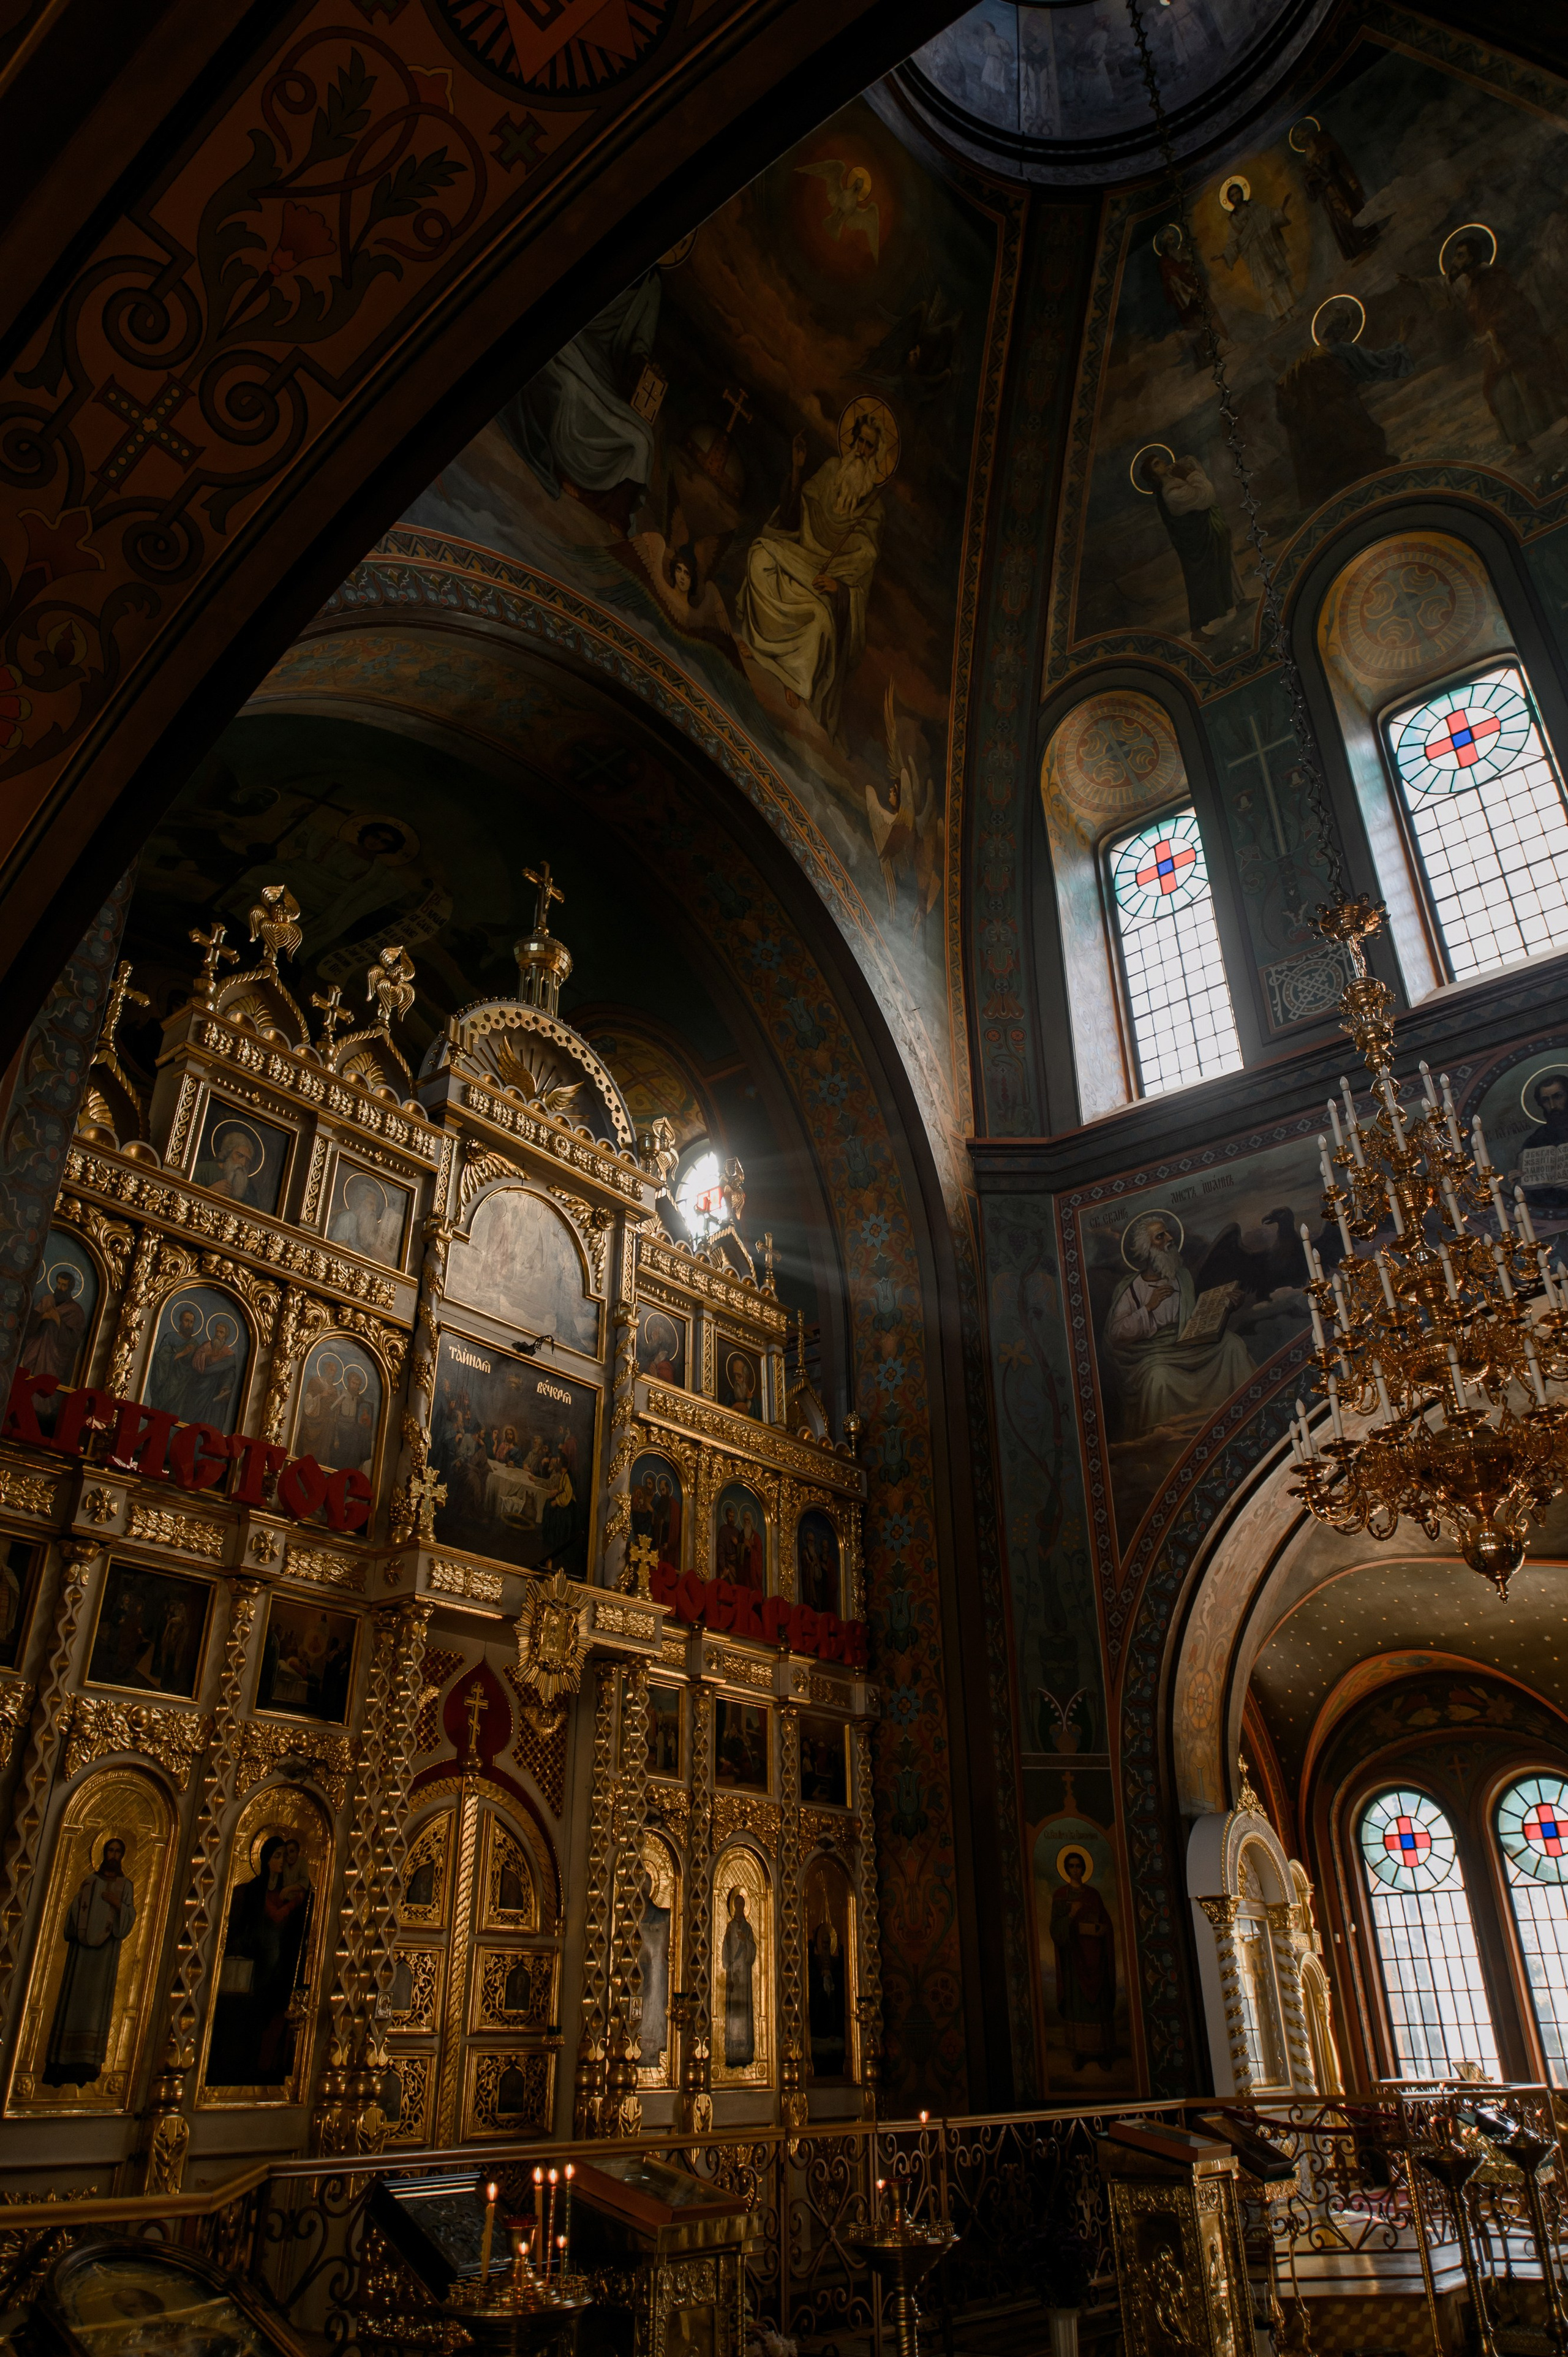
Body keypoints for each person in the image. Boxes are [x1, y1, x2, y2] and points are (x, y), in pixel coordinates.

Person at [736, 408, 891, 739]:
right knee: (760, 556)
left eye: (869, 447)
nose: (861, 451)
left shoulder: (874, 510)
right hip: (800, 556)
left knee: (820, 622)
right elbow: (792, 518)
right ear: (852, 441)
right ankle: (760, 650)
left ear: (877, 455)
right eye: (859, 442)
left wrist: (838, 587)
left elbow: (862, 580)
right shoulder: (831, 471)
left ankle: (793, 679)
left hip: (825, 584)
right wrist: (796, 469)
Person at [499, 272, 663, 531]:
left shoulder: (652, 287)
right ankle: (567, 468)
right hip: (567, 344)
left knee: (642, 438)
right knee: (572, 390)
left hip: (604, 372)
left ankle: (612, 508)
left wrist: (642, 366)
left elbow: (639, 345)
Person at [1101, 1210, 1254, 1440]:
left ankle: (1248, 1412)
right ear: (1146, 1248)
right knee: (1158, 1377)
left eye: (1168, 1234)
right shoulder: (1132, 1288)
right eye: (1160, 1237)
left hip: (1186, 1342)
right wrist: (1148, 1308)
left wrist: (1226, 1304)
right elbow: (1116, 1333)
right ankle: (1165, 1441)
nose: (1169, 1239)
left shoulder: (1181, 1277)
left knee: (1232, 1345)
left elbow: (1193, 1316)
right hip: (1153, 1352)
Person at [1442, 232, 1568, 458]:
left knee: (1537, 376)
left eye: (1461, 256)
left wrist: (1490, 332)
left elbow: (1512, 307)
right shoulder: (1471, 286)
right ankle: (1521, 445)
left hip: (1517, 339)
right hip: (1497, 346)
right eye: (1456, 256)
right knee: (1501, 393)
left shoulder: (1494, 277)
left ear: (1473, 256)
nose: (1455, 261)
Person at [1275, 307, 1414, 508]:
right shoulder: (1346, 351)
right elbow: (1379, 364)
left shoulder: (1306, 359)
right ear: (1343, 331)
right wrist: (1403, 339)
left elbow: (1285, 393)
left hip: (1319, 428)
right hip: (1344, 417)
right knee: (1366, 444)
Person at [206, 1833, 313, 2087]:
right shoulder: (253, 1891)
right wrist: (291, 1902)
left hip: (281, 1969)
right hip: (256, 1967)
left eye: (285, 1856)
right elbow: (265, 1919)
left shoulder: (288, 1892)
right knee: (251, 2018)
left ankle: (268, 2067)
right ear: (265, 1859)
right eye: (277, 1856)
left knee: (275, 2014)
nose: (282, 1861)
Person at [43, 1836, 135, 2086]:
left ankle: (89, 2065)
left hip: (105, 1959)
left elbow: (129, 1916)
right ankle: (61, 2062)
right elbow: (75, 1911)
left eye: (118, 1852)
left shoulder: (125, 1886)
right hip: (81, 1957)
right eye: (110, 1851)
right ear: (103, 1853)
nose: (114, 1856)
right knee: (73, 2003)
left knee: (96, 2007)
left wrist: (118, 1906)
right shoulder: (91, 1882)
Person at [1138, 451, 1242, 638]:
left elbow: (1198, 477)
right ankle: (1198, 629)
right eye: (1156, 464)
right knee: (1201, 582)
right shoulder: (1170, 493)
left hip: (1208, 531)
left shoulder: (1173, 480)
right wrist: (1188, 475)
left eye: (1160, 460)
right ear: (1154, 475)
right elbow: (1206, 494)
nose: (1162, 462)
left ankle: (1238, 600)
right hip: (1197, 542)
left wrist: (1188, 468)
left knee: (1225, 561)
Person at [1050, 1849, 1117, 2070]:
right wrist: (1070, 1915)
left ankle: (1101, 2053)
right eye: (1072, 1866)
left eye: (1079, 1866)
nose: (1076, 1870)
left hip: (1095, 1958)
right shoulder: (1060, 1896)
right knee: (1078, 2006)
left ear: (1084, 1868)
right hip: (1074, 1959)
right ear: (1067, 1869)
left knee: (1097, 2006)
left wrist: (1102, 1930)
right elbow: (1056, 1931)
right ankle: (1080, 2053)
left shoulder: (1093, 1895)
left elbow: (1106, 1924)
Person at [1298, 122, 1379, 262]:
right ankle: (1356, 250)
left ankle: (1366, 242)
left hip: (1336, 186)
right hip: (1326, 194)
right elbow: (1314, 175)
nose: (1303, 141)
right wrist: (1309, 178)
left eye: (1303, 137)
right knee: (1339, 221)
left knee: (1349, 212)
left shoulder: (1322, 143)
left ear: (1309, 133)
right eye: (1300, 140)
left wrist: (1314, 172)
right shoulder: (1308, 153)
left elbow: (1329, 168)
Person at [1215, 181, 1295, 320]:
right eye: (1233, 195)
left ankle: (1292, 309)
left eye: (1237, 193)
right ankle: (1281, 316)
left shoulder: (1255, 206)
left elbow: (1270, 217)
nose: (1236, 196)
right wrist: (1225, 256)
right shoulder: (1233, 221)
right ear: (1230, 200)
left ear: (1242, 192)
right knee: (1266, 285)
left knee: (1279, 277)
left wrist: (1282, 208)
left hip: (1268, 246)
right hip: (1255, 256)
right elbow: (1233, 243)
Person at [21, 1265, 87, 1387]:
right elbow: (29, 1326)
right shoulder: (47, 1301)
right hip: (35, 1353)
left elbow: (74, 1341)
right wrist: (42, 1317)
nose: (60, 1288)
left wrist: (58, 1321)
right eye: (59, 1284)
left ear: (70, 1288)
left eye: (64, 1285)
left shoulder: (75, 1311)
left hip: (55, 1361)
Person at [636, 1864, 671, 2065]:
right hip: (638, 1976)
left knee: (653, 2006)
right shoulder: (630, 1915)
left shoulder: (662, 1916)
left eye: (644, 1889)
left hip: (656, 1977)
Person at [146, 1303, 203, 1422]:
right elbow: (160, 1358)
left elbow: (195, 1366)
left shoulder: (195, 1344)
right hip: (167, 1384)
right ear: (181, 1322)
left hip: (183, 1389)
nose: (189, 1324)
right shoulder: (171, 1337)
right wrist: (181, 1353)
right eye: (187, 1321)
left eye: (191, 1322)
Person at [722, 1888, 757, 2068]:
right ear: (734, 1906)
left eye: (743, 1904)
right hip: (734, 1974)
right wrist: (728, 1970)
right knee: (734, 2012)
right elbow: (726, 1951)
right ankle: (733, 2052)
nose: (740, 1907)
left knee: (744, 2011)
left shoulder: (748, 1928)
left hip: (745, 1975)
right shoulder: (729, 1927)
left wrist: (745, 1941)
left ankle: (745, 2053)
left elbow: (752, 1951)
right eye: (738, 1904)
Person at [808, 1917, 846, 2075]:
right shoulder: (816, 1961)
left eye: (827, 1943)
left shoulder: (834, 1961)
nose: (825, 1946)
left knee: (835, 2000)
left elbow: (840, 1974)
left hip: (832, 1990)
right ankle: (823, 2032)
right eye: (822, 1943)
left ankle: (833, 2031)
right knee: (819, 1998)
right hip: (820, 1995)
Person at [195, 1123, 265, 1204]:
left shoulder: (249, 1188)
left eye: (248, 1160)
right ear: (228, 1152)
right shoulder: (203, 1169)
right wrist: (210, 1191)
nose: (243, 1163)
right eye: (240, 1155)